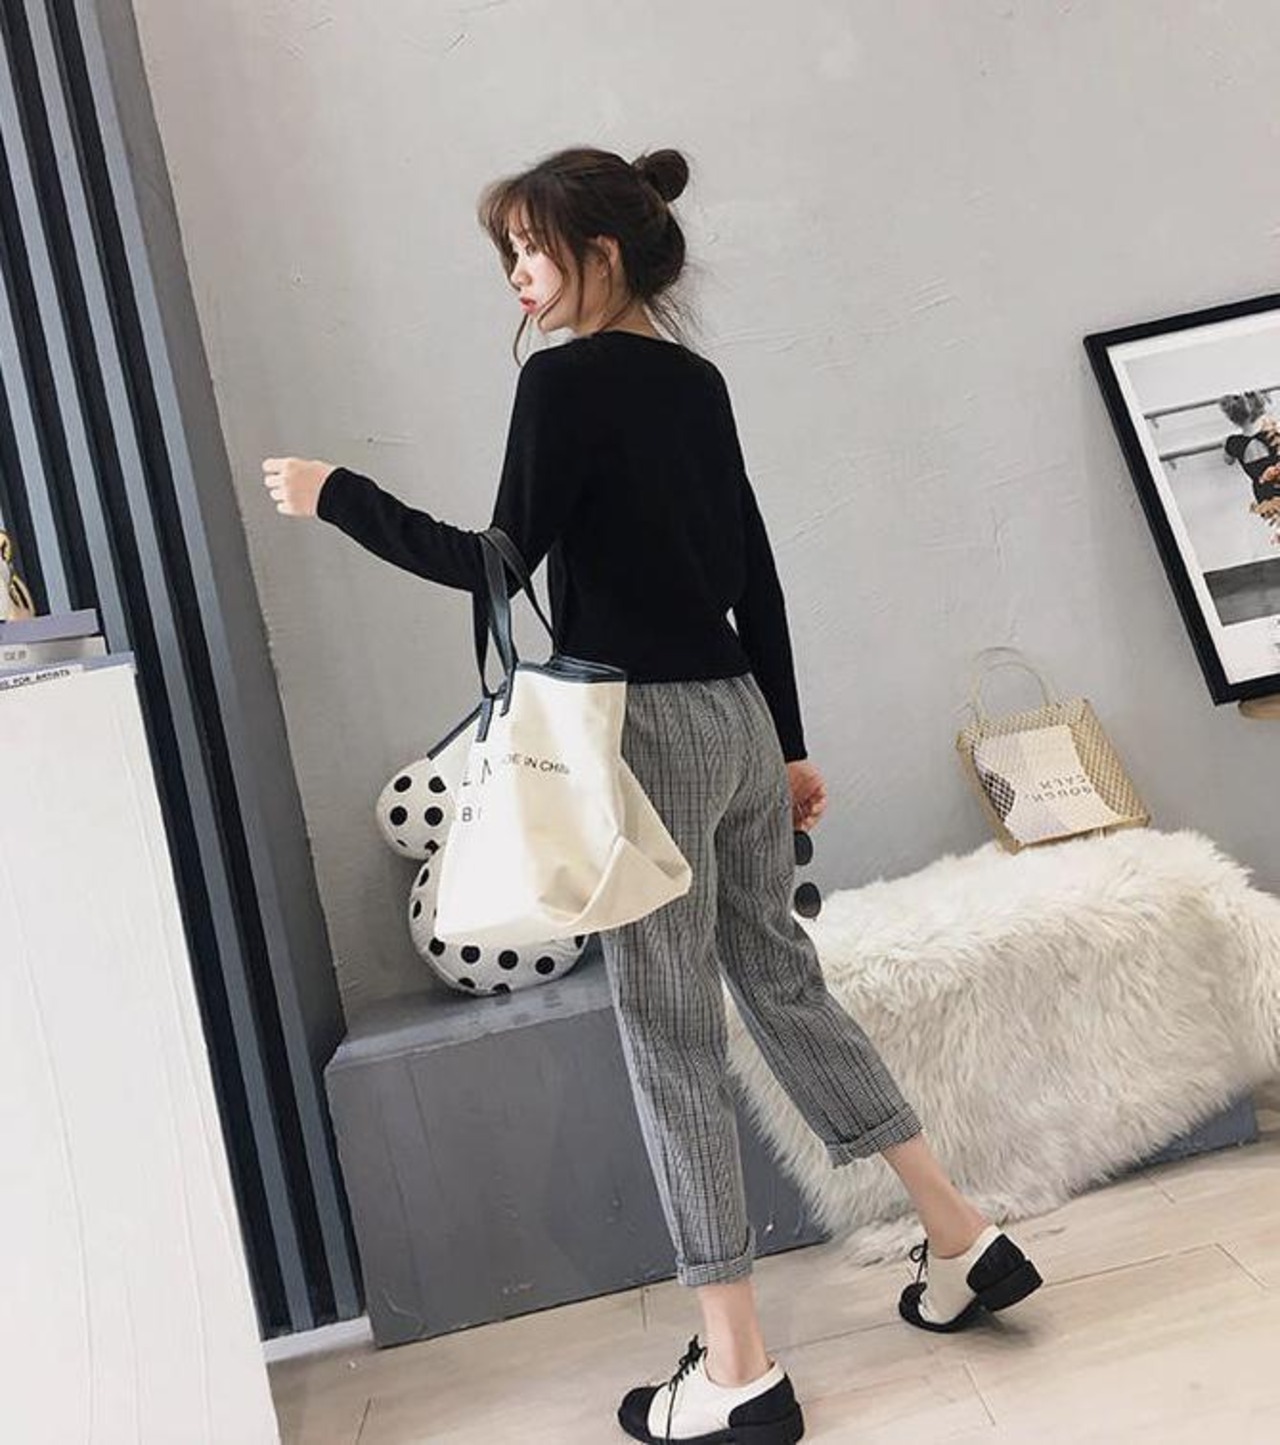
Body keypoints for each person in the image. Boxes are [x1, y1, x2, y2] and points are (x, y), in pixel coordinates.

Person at [263, 145, 1042, 1445]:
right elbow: (758, 572)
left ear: (602, 252)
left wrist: (336, 495)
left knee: (669, 1031)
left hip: (641, 731)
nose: (517, 276)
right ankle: (960, 1232)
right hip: (733, 712)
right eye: (507, 254)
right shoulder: (696, 380)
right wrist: (786, 743)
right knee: (783, 981)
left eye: (532, 249)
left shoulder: (563, 382)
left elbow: (493, 563)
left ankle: (736, 1366)